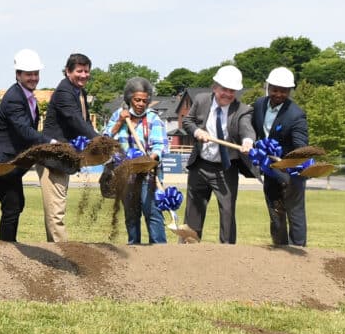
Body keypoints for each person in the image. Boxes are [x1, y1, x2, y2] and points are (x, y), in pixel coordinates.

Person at [181, 65, 254, 244]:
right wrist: (197, 132)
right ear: (215, 87)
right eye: (224, 89)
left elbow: (247, 129)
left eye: (232, 91)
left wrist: (248, 141)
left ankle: (227, 253)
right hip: (200, 165)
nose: (228, 94)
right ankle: (188, 252)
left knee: (228, 211)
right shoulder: (201, 100)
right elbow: (187, 121)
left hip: (226, 168)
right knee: (193, 211)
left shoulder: (242, 109)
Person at [0, 49, 51, 242]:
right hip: (4, 163)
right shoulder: (14, 97)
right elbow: (24, 130)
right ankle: (6, 249)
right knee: (12, 206)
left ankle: (7, 246)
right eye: (28, 74)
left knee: (16, 205)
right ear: (18, 74)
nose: (33, 78)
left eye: (36, 73)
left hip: (14, 164)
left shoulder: (28, 97)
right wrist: (49, 142)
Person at [39, 53, 99, 242]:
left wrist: (98, 137)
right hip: (53, 157)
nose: (84, 75)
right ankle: (62, 253)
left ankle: (55, 252)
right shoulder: (65, 91)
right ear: (68, 71)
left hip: (65, 157)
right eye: (79, 71)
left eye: (87, 71)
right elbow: (74, 119)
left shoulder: (80, 92)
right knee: (55, 211)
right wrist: (98, 140)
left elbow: (85, 121)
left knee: (57, 207)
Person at [103, 78, 168, 244]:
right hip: (125, 174)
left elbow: (160, 146)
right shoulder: (118, 116)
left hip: (148, 173)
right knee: (131, 214)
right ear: (129, 98)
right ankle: (134, 247)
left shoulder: (153, 119)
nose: (140, 104)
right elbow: (104, 140)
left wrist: (149, 159)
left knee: (152, 212)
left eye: (145, 101)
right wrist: (118, 122)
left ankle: (160, 250)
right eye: (137, 100)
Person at [252, 66, 310, 246]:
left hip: (291, 173)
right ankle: (279, 250)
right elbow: (254, 130)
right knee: (275, 212)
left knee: (295, 212)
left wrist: (298, 163)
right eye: (275, 89)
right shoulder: (259, 105)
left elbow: (301, 145)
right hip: (269, 170)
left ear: (290, 91)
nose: (278, 94)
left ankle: (298, 250)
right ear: (268, 87)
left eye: (284, 91)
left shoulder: (296, 115)